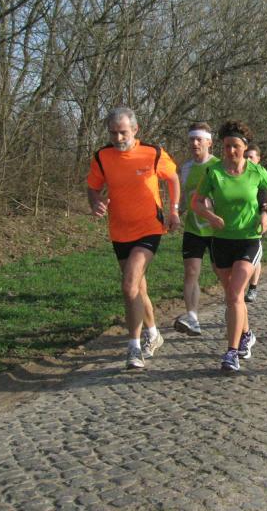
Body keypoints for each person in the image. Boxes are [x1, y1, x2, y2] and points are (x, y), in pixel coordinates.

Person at [86, 107, 181, 370]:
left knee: (129, 285)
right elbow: (92, 187)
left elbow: (173, 178)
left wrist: (174, 210)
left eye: (123, 132)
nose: (118, 138)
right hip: (119, 231)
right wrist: (95, 202)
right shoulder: (102, 157)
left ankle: (134, 348)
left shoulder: (152, 153)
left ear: (135, 130)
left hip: (149, 228)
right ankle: (153, 333)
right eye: (113, 133)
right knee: (138, 288)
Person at [192, 120, 267, 372]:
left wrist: (266, 212)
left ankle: (231, 353)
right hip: (221, 240)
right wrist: (210, 216)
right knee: (234, 297)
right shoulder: (213, 172)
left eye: (236, 146)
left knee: (234, 294)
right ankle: (246, 334)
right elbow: (196, 202)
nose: (231, 151)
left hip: (249, 239)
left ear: (244, 147)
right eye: (227, 146)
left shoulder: (256, 171)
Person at [174, 122, 218, 337]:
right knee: (191, 272)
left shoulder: (219, 166)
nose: (195, 143)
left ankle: (235, 312)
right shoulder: (185, 168)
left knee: (223, 274)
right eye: (192, 139)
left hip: (218, 229)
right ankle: (192, 317)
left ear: (209, 142)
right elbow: (184, 198)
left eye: (199, 139)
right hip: (193, 228)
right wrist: (175, 214)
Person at [243, 144, 266, 303]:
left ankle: (253, 287)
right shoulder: (237, 174)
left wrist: (264, 212)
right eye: (246, 157)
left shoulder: (260, 175)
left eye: (251, 157)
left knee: (255, 257)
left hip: (256, 222)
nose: (248, 160)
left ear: (258, 159)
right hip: (238, 223)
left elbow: (265, 197)